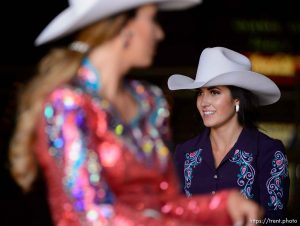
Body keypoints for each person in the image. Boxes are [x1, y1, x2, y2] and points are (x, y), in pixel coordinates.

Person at [8, 1, 263, 225]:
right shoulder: (69, 105)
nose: (159, 33)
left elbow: (165, 204)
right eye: (152, 19)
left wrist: (223, 204)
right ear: (124, 28)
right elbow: (92, 215)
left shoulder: (150, 102)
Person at [168, 46, 290, 221]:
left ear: (236, 100)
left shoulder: (268, 151)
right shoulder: (184, 153)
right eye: (200, 93)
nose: (204, 102)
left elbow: (276, 220)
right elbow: (174, 213)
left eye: (214, 92)